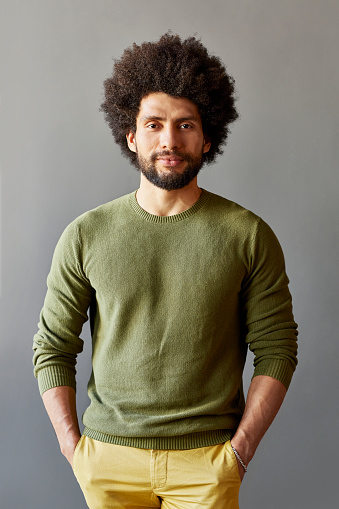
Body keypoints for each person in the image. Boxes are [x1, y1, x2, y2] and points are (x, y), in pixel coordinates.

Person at [33, 33, 298, 509]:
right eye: (153, 124)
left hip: (207, 464)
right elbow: (52, 346)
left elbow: (277, 349)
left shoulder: (248, 235)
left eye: (185, 124)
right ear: (131, 134)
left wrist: (240, 451)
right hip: (107, 461)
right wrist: (74, 449)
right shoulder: (86, 234)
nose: (169, 140)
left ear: (208, 136)